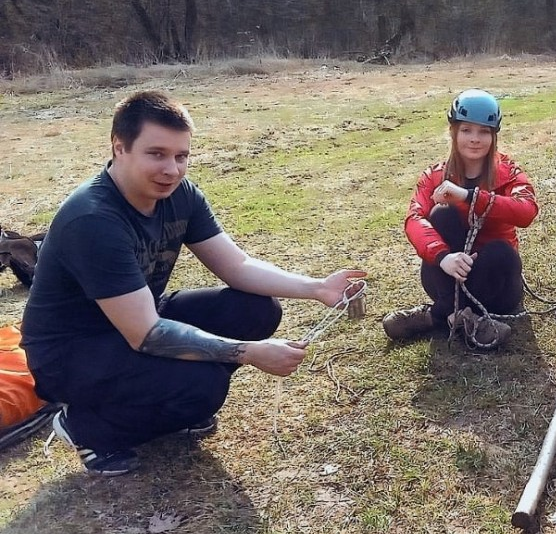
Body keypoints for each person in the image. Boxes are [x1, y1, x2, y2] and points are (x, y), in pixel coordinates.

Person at [21, 91, 366, 476]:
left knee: (255, 308)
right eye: (157, 154)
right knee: (204, 386)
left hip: (138, 318)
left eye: (181, 156)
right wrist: (246, 352)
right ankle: (88, 427)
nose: (172, 169)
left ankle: (171, 399)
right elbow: (145, 334)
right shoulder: (93, 219)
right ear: (120, 147)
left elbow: (237, 266)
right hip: (72, 352)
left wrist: (317, 287)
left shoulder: (180, 195)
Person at [382, 89, 538, 348]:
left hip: (498, 282)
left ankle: (438, 316)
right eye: (466, 130)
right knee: (440, 214)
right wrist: (443, 257)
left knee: (501, 251)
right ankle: (468, 320)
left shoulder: (508, 172)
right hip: (448, 276)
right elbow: (414, 218)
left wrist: (468, 196)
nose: (475, 139)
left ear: (494, 136)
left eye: (484, 132)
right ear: (453, 132)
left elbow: (526, 210)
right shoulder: (435, 175)